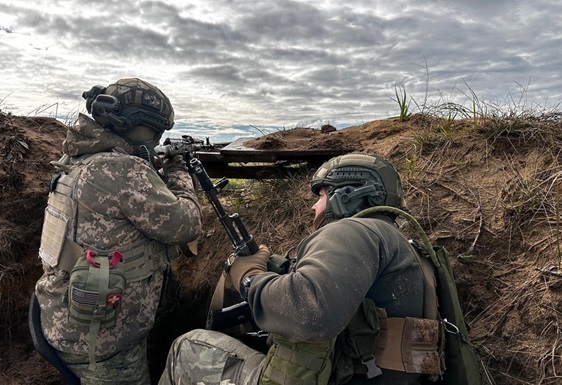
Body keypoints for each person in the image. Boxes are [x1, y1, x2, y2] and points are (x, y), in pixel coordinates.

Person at [158, 152, 445, 385]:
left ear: (348, 196)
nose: (314, 208)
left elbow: (310, 313)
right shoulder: (402, 244)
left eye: (320, 196)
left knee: (186, 346)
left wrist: (249, 279)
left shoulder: (352, 230)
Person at [33, 78, 202, 385]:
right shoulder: (123, 170)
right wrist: (179, 171)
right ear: (139, 128)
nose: (154, 141)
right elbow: (187, 224)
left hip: (62, 314)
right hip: (104, 343)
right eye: (154, 133)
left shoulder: (76, 158)